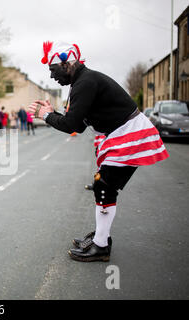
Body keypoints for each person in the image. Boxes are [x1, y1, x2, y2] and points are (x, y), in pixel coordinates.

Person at [28, 41, 169, 262]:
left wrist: (45, 115)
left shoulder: (85, 82)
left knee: (104, 186)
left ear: (67, 63)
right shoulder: (81, 83)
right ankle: (101, 236)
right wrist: (53, 112)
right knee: (103, 185)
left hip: (129, 134)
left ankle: (101, 245)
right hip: (122, 133)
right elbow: (79, 123)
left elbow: (72, 126)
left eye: (53, 70)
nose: (53, 77)